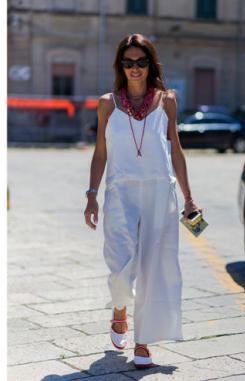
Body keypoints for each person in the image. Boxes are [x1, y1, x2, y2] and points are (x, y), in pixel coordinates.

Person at [84, 33, 202, 369]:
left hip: (158, 192)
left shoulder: (167, 101)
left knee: (154, 267)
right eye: (128, 62)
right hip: (120, 191)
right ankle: (119, 307)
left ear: (151, 63)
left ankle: (143, 341)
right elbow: (100, 151)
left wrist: (189, 198)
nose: (135, 68)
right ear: (120, 66)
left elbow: (175, 149)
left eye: (141, 61)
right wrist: (91, 195)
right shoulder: (107, 103)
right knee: (120, 263)